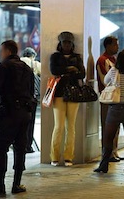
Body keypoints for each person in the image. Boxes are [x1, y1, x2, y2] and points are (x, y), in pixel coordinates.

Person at [0, 40, 35, 195]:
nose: (0, 53)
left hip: (9, 112)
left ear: (8, 51)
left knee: (0, 148)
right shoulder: (26, 68)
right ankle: (17, 184)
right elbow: (32, 91)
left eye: (1, 50)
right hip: (25, 112)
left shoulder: (4, 66)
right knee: (20, 148)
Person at [94, 48, 124, 174]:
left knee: (108, 137)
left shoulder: (114, 71)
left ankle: (104, 165)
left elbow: (105, 81)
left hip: (116, 107)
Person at [50, 31, 85, 167]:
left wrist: (64, 71)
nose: (66, 45)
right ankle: (54, 157)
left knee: (71, 126)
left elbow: (82, 73)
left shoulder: (78, 57)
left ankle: (69, 157)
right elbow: (54, 70)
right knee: (58, 126)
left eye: (69, 42)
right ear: (60, 43)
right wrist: (70, 69)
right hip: (58, 93)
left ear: (72, 44)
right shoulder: (55, 56)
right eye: (64, 42)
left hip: (74, 93)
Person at [96, 36, 123, 162]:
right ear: (107, 46)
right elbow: (104, 79)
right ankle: (107, 153)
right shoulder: (102, 60)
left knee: (116, 126)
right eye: (115, 45)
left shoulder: (114, 59)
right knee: (108, 126)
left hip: (117, 97)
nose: (117, 47)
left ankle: (114, 151)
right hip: (107, 97)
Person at [20, 47, 40, 153]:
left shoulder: (17, 63)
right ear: (33, 55)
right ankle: (27, 146)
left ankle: (18, 145)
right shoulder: (35, 64)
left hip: (18, 98)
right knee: (30, 122)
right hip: (31, 97)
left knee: (19, 122)